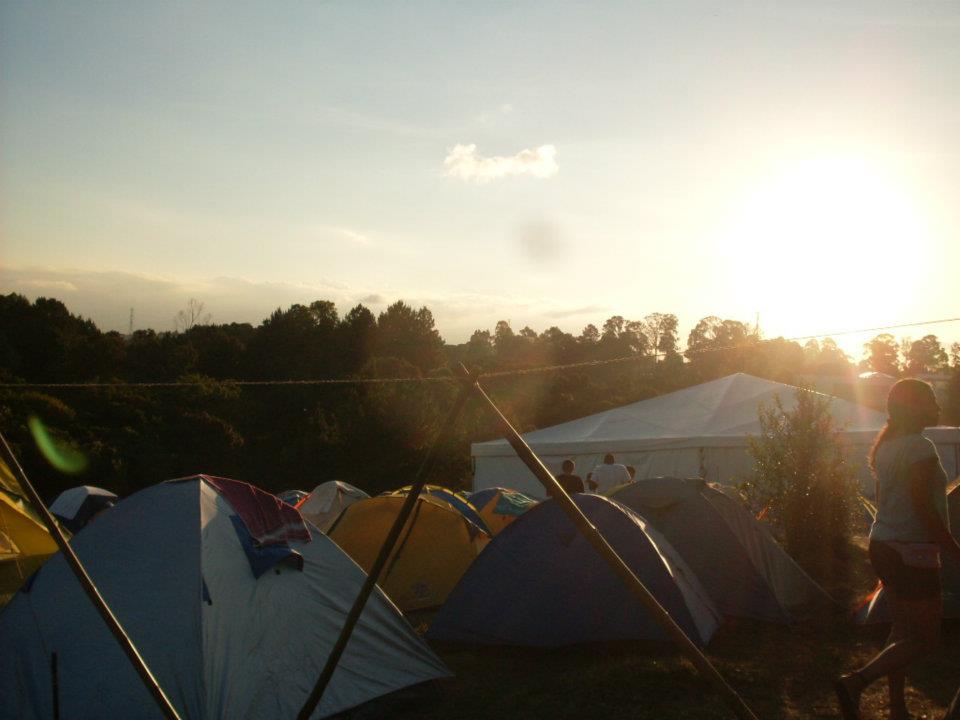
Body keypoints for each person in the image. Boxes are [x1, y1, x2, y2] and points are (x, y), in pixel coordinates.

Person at [835, 379, 960, 720]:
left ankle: (897, 707)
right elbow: (924, 507)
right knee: (925, 640)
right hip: (911, 551)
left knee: (903, 630)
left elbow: (887, 500)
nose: (937, 406)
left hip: (883, 544)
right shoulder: (920, 447)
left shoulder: (887, 446)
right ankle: (856, 682)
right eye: (930, 399)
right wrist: (953, 549)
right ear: (914, 407)